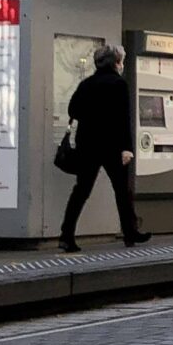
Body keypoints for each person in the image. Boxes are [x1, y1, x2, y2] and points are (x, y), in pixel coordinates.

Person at [59, 44, 147, 253]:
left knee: (81, 190)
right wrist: (126, 148)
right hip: (112, 146)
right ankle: (130, 232)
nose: (122, 65)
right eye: (122, 61)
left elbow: (73, 110)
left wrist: (92, 117)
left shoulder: (86, 84)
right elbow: (123, 119)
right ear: (116, 63)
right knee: (122, 191)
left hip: (87, 144)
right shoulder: (118, 84)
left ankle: (66, 235)